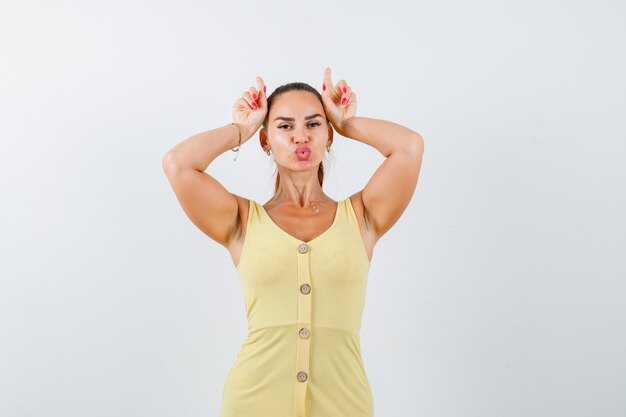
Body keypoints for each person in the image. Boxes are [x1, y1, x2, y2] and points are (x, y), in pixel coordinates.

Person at [162, 67, 424, 417]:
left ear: (328, 136)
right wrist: (240, 129)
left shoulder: (362, 216)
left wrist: (347, 123)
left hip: (344, 405)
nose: (300, 136)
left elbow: (409, 147)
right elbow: (178, 164)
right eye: (285, 126)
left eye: (314, 124)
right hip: (254, 402)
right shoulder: (241, 221)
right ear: (265, 140)